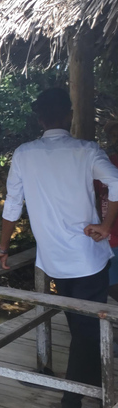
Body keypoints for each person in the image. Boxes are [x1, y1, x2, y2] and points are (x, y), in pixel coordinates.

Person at [0, 87, 118, 408]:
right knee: (86, 331)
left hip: (53, 260)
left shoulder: (25, 154)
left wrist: (2, 247)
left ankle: (87, 384)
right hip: (87, 257)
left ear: (40, 119)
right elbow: (116, 182)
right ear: (69, 115)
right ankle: (71, 406)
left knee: (79, 326)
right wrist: (106, 225)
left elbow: (13, 204)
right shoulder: (86, 150)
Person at [94, 120, 118, 301]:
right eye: (114, 134)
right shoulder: (104, 164)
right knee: (110, 282)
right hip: (109, 235)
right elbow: (93, 195)